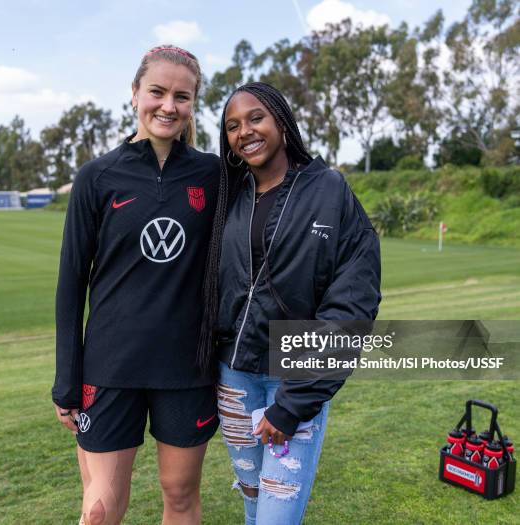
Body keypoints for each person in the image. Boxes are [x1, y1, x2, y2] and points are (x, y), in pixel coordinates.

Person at [198, 82, 381, 525]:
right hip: (234, 378)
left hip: (293, 380)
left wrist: (295, 402)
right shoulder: (230, 195)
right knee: (253, 504)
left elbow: (353, 301)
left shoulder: (329, 189)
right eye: (233, 126)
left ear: (281, 120)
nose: (245, 132)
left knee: (277, 517)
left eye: (256, 118)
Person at [53, 46, 220, 525]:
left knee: (181, 496)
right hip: (109, 367)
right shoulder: (97, 177)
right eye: (158, 92)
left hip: (186, 368)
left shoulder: (212, 174)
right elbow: (70, 286)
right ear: (134, 94)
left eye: (182, 96)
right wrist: (67, 380)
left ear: (192, 104)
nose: (168, 106)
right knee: (102, 508)